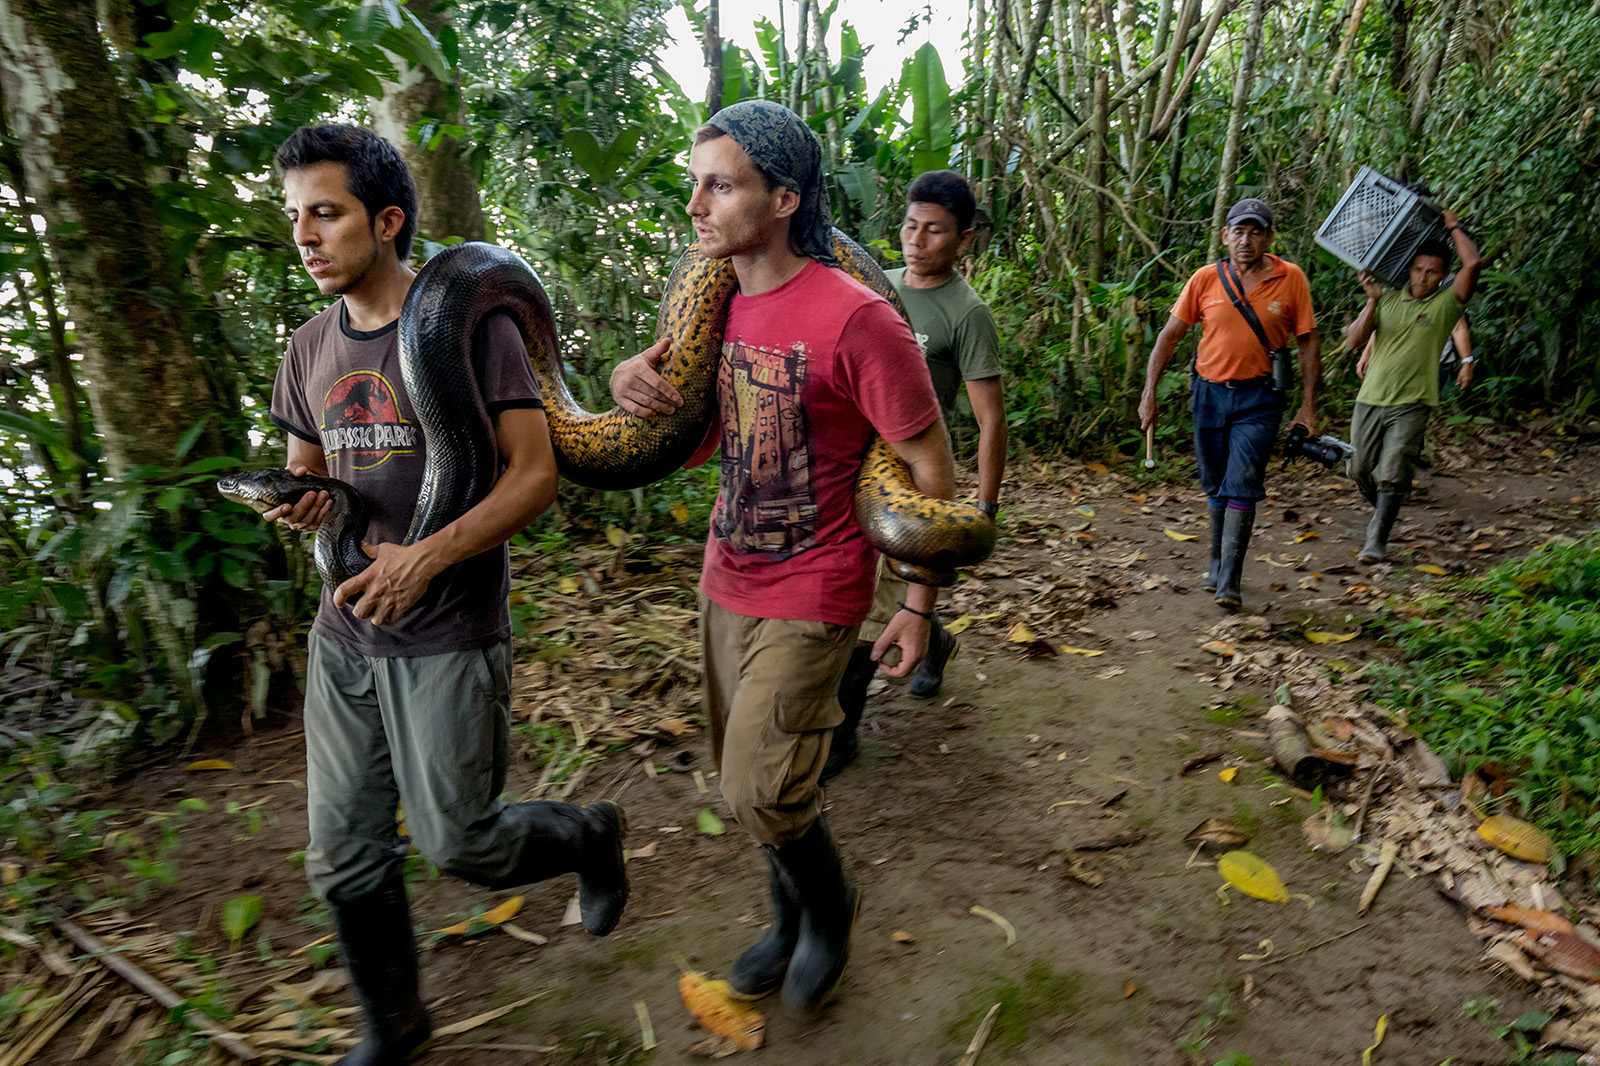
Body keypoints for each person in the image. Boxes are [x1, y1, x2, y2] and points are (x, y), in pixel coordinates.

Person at [264, 124, 627, 1066]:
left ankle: (590, 835)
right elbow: (312, 476)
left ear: (387, 220)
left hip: (446, 628)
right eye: (294, 215)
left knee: (460, 843)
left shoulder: (474, 323)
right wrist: (303, 505)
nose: (305, 234)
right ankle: (395, 1028)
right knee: (342, 854)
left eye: (327, 213)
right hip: (345, 632)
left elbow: (534, 475)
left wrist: (423, 557)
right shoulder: (308, 347)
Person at [608, 100, 955, 1012]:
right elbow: (695, 437)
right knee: (756, 782)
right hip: (727, 575)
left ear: (785, 198)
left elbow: (930, 467)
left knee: (759, 784)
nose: (696, 205)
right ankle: (785, 918)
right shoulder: (715, 312)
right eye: (697, 182)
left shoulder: (859, 319)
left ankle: (830, 907)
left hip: (821, 582)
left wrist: (917, 606)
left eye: (720, 185)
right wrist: (625, 382)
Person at [823, 169, 1006, 781]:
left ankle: (841, 733)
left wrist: (981, 506)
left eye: (934, 230)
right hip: (846, 463)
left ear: (963, 240)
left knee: (873, 604)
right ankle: (937, 637)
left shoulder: (967, 313)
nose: (916, 240)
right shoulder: (875, 288)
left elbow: (989, 420)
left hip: (908, 473)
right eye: (909, 225)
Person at [1137, 197, 1323, 611]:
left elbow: (1308, 343)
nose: (1246, 240)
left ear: (1269, 238)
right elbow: (1169, 336)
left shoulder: (1291, 279)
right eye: (1239, 231)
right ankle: (1217, 560)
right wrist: (1149, 392)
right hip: (1208, 392)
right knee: (1215, 481)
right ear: (1225, 236)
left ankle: (1230, 579)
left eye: (1256, 231)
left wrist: (1309, 407)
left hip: (1260, 397)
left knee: (1242, 479)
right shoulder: (1205, 279)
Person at [1344, 209, 1482, 562]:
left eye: (1432, 272)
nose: (1422, 278)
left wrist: (1452, 224)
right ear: (1409, 268)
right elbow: (1356, 341)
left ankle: (1377, 538)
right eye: (1418, 269)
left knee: (1392, 472)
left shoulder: (1446, 305)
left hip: (1413, 401)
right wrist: (1372, 299)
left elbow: (1473, 264)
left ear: (1443, 276)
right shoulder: (1387, 298)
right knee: (1359, 467)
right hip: (1371, 398)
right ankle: (1384, 512)